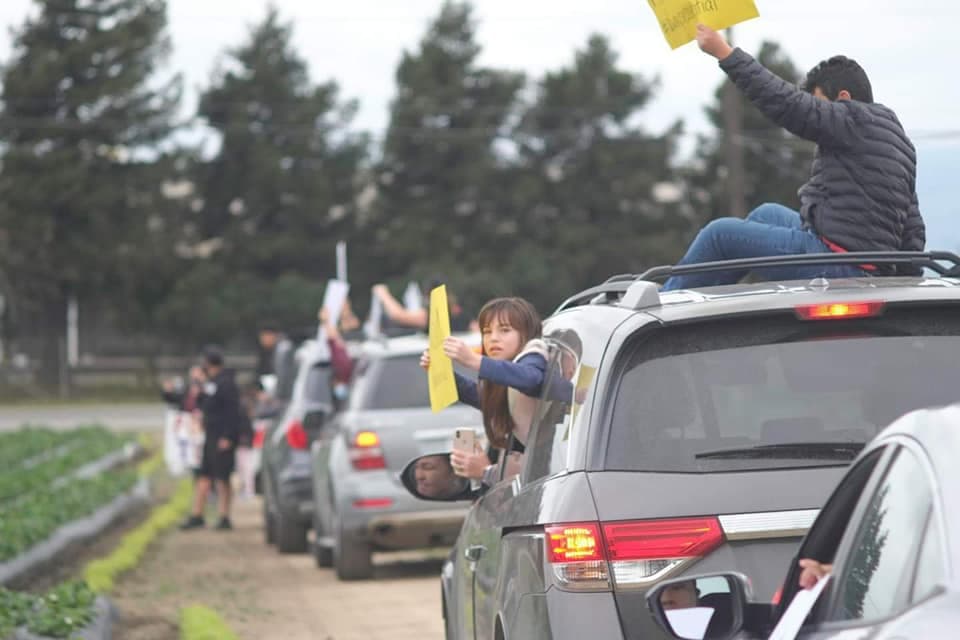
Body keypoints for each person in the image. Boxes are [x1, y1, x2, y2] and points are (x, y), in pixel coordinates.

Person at [662, 24, 925, 291]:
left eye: (820, 103)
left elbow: (787, 102)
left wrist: (725, 53)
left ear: (844, 98)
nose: (819, 114)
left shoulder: (851, 118)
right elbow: (911, 230)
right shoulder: (899, 142)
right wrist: (904, 287)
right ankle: (712, 294)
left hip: (839, 264)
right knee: (766, 213)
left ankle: (668, 305)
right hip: (862, 264)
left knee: (719, 235)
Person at [420, 297, 545, 481]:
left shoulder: (535, 354)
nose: (493, 338)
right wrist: (441, 372)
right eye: (487, 331)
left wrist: (474, 360)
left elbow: (531, 379)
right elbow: (487, 400)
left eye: (505, 330)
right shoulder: (503, 373)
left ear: (526, 333)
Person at [180, 347, 244, 531]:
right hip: (210, 436)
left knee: (223, 478)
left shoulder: (227, 384)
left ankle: (224, 516)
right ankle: (197, 514)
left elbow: (233, 413)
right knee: (204, 475)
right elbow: (205, 404)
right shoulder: (212, 383)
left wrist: (228, 436)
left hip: (222, 437)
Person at [373, 279, 477, 334]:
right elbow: (476, 331)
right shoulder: (463, 315)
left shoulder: (431, 316)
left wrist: (383, 294)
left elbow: (398, 316)